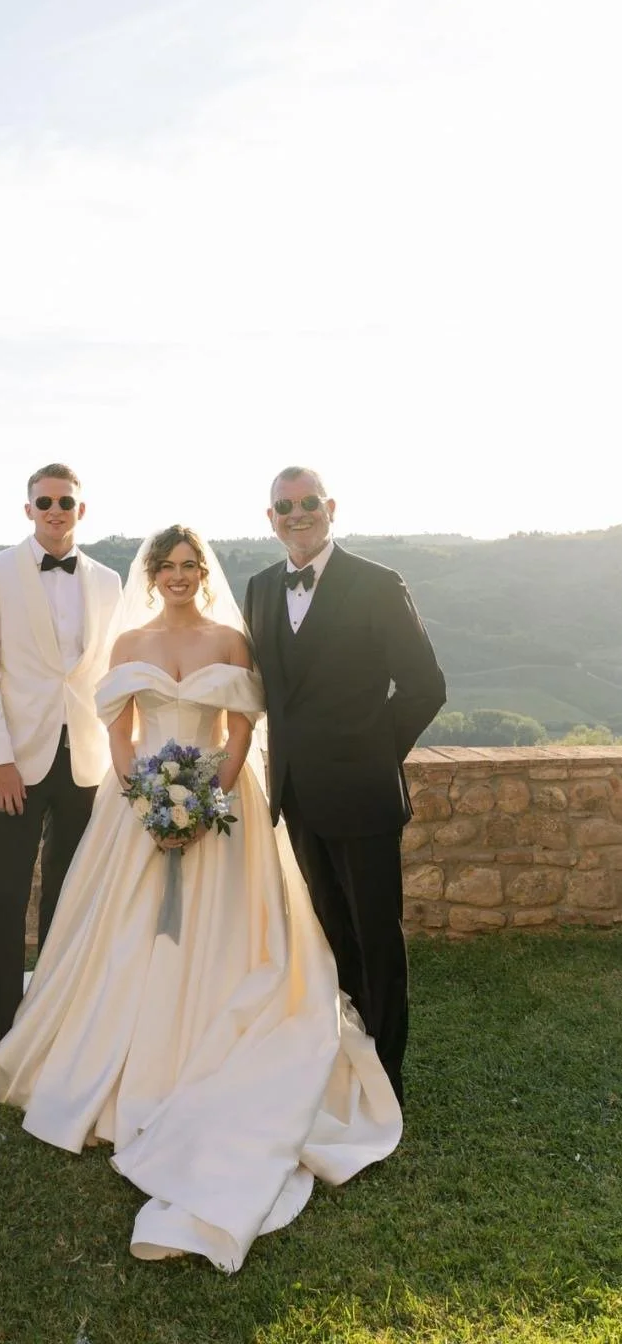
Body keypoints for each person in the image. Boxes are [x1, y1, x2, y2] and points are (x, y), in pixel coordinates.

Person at [0, 526, 401, 1272]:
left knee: (231, 936)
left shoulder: (230, 641)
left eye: (188, 565)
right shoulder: (129, 641)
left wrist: (205, 803)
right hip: (136, 809)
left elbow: (239, 735)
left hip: (222, 809)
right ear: (151, 574)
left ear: (203, 572)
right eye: (165, 566)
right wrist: (146, 798)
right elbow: (121, 734)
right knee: (120, 939)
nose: (177, 575)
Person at [243, 467, 447, 1107]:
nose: (297, 514)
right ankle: (347, 1056)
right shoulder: (259, 588)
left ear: (329, 507)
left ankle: (387, 1075)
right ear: (270, 518)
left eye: (308, 502)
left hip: (362, 794)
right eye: (285, 506)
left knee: (375, 936)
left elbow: (425, 686)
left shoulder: (378, 584)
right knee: (330, 934)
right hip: (297, 798)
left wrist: (373, 754)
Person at [0, 463, 122, 1035]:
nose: (56, 511)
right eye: (45, 502)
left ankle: (53, 1017)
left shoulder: (108, 581)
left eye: (66, 502)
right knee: (6, 893)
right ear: (28, 509)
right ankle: (4, 1021)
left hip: (87, 760)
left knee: (69, 892)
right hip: (17, 762)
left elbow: (110, 673)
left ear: (82, 509)